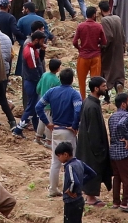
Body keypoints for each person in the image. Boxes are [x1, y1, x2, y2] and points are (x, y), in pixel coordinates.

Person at [35, 68, 83, 197]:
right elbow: (78, 110)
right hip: (68, 131)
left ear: (60, 79)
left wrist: (48, 123)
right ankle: (71, 189)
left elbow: (38, 107)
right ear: (72, 79)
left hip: (55, 130)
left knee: (55, 162)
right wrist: (74, 125)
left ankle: (53, 189)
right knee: (71, 161)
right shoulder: (74, 94)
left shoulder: (52, 92)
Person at [77, 77, 111, 206]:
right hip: (92, 147)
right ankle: (91, 198)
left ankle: (90, 196)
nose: (106, 88)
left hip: (87, 144)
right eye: (103, 86)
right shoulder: (92, 106)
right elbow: (94, 131)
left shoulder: (89, 102)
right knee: (93, 169)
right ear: (96, 88)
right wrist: (99, 150)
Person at [109, 93, 128, 213]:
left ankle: (116, 202)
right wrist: (126, 138)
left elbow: (115, 129)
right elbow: (121, 125)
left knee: (117, 177)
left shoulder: (112, 116)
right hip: (123, 152)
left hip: (113, 151)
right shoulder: (126, 115)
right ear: (123, 104)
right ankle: (125, 203)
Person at [55, 141, 94, 223]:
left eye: (59, 156)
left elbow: (74, 182)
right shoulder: (80, 162)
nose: (58, 158)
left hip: (71, 202)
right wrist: (81, 183)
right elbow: (92, 174)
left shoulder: (69, 166)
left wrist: (70, 190)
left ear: (65, 154)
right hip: (80, 200)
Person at [72, 8, 107, 98]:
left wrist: (80, 49)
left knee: (81, 80)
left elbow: (74, 42)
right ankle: (95, 99)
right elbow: (104, 42)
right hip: (95, 56)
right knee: (95, 81)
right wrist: (97, 43)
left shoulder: (80, 26)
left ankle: (83, 99)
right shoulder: (99, 26)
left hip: (83, 56)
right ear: (94, 15)